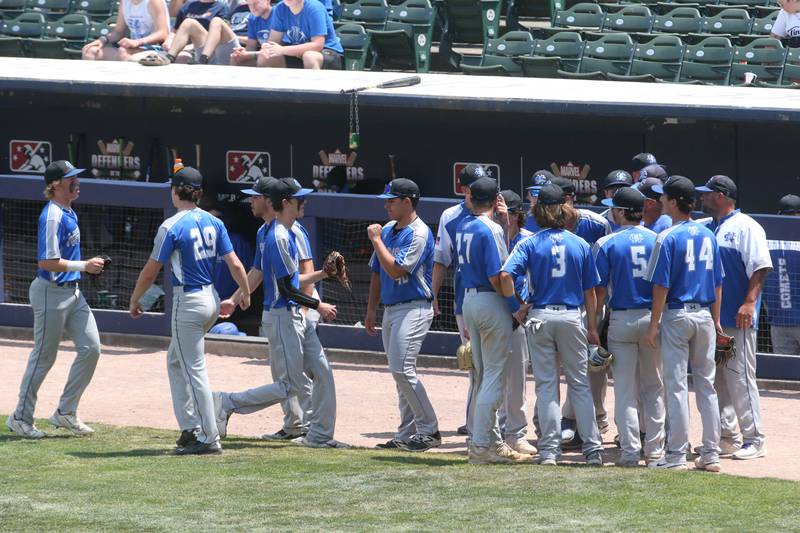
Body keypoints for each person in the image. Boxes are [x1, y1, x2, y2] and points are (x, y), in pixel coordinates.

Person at [216, 178, 347, 448]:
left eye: (255, 197)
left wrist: (310, 305)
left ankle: (317, 434)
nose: (250, 201)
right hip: (287, 313)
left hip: (295, 313)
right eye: (300, 199)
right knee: (289, 385)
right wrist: (238, 296)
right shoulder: (271, 233)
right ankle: (227, 402)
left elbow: (297, 279)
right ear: (284, 202)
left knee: (319, 373)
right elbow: (279, 282)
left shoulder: (289, 232)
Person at [129, 166, 251, 455]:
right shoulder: (213, 221)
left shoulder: (171, 225)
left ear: (175, 190)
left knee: (194, 370)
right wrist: (244, 292)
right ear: (199, 193)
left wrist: (135, 300)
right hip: (211, 297)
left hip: (189, 302)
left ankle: (207, 436)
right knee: (176, 361)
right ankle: (190, 426)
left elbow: (150, 272)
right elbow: (234, 263)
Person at [500, 182, 604, 466]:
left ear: (539, 210)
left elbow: (506, 276)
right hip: (572, 316)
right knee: (580, 384)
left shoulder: (529, 242)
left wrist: (517, 307)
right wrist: (592, 327)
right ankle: (593, 450)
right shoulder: (580, 243)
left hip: (541, 316)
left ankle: (549, 451)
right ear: (564, 209)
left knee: (546, 386)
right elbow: (590, 292)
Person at [6, 161, 105, 439]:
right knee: (43, 358)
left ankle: (65, 412)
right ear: (55, 184)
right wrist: (84, 265)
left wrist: (83, 267)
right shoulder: (52, 216)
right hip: (50, 292)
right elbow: (46, 262)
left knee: (91, 349)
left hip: (73, 293)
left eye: (76, 177)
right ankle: (21, 417)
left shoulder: (68, 210)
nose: (77, 182)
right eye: (71, 178)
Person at [644, 175, 724, 472]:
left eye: (664, 197)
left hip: (678, 315)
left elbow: (660, 286)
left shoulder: (667, 237)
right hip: (704, 315)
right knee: (706, 385)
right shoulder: (709, 235)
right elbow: (718, 284)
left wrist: (653, 324)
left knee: (676, 387)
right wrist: (715, 321)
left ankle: (677, 455)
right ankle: (711, 454)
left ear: (675, 202)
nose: (661, 201)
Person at [697, 175, 772, 460]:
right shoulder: (709, 228)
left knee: (740, 378)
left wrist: (750, 302)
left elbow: (761, 266)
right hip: (715, 320)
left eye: (706, 194)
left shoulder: (747, 226)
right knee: (718, 380)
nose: (701, 198)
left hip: (737, 317)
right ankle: (727, 437)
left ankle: (755, 438)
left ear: (720, 196)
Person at [457, 177, 530, 465]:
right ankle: (480, 447)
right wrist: (516, 307)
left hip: (469, 301)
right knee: (493, 379)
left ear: (473, 198)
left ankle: (493, 442)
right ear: (495, 199)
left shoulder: (465, 224)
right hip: (490, 301)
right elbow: (499, 277)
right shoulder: (490, 230)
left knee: (482, 377)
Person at [364, 178, 440, 452]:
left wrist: (375, 240)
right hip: (391, 309)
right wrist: (372, 309)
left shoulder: (420, 233)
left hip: (415, 307)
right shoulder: (386, 230)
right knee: (400, 376)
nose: (386, 206)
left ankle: (429, 430)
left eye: (392, 201)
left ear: (407, 202)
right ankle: (407, 433)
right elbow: (377, 272)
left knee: (402, 370)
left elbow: (396, 269)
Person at [595, 187, 665, 467]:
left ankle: (629, 451)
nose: (611, 210)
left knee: (624, 389)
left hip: (622, 319)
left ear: (622, 212)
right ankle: (656, 451)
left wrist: (593, 324)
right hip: (653, 318)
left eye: (614, 207)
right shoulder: (659, 239)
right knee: (653, 387)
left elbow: (598, 291)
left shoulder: (606, 243)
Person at [551, 174, 611, 448]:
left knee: (592, 365)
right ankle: (565, 421)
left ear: (568, 199)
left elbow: (603, 276)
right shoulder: (540, 223)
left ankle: (594, 415)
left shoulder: (596, 224)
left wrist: (595, 318)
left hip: (591, 303)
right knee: (560, 367)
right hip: (557, 304)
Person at [431, 164, 485, 436]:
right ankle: (476, 422)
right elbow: (441, 259)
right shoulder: (450, 216)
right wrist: (434, 294)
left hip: (497, 298)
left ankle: (488, 421)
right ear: (464, 188)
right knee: (473, 361)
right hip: (466, 299)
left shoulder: (495, 211)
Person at [497, 190, 538, 454]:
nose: (502, 217)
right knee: (489, 376)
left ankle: (516, 433)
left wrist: (523, 307)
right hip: (492, 312)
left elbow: (536, 281)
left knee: (516, 379)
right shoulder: (490, 236)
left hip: (519, 316)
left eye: (507, 212)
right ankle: (493, 433)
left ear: (517, 214)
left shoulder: (529, 241)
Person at [139, 0, 239, 65]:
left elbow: (223, 32)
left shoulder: (222, 7)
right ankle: (169, 57)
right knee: (188, 22)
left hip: (218, 49)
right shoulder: (188, 5)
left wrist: (190, 47)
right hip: (197, 47)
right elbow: (174, 30)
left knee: (216, 21)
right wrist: (169, 41)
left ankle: (203, 59)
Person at [258, 0, 343, 70]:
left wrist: (282, 50)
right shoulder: (280, 8)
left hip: (327, 51)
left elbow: (318, 45)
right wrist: (267, 47)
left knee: (309, 56)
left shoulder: (315, 8)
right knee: (267, 55)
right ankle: (276, 89)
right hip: (296, 51)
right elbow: (273, 41)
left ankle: (312, 90)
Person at [765, 194, 800, 355]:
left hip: (778, 320)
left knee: (784, 374)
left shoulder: (767, 241)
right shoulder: (767, 241)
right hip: (779, 321)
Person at [82, 0, 169, 61]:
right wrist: (102, 40)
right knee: (90, 51)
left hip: (156, 49)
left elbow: (163, 33)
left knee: (123, 52)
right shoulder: (125, 2)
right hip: (132, 48)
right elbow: (118, 32)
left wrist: (138, 42)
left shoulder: (153, 2)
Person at [231, 0, 274, 66]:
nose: (253, 7)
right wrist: (242, 52)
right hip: (261, 54)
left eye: (256, 3)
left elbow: (272, 50)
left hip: (280, 56)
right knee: (235, 57)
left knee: (264, 58)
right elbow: (251, 47)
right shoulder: (252, 18)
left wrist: (250, 54)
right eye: (249, 4)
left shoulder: (277, 14)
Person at [633, 168, 672, 234]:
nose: (633, 200)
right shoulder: (641, 224)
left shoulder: (667, 227)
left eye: (637, 197)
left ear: (650, 203)